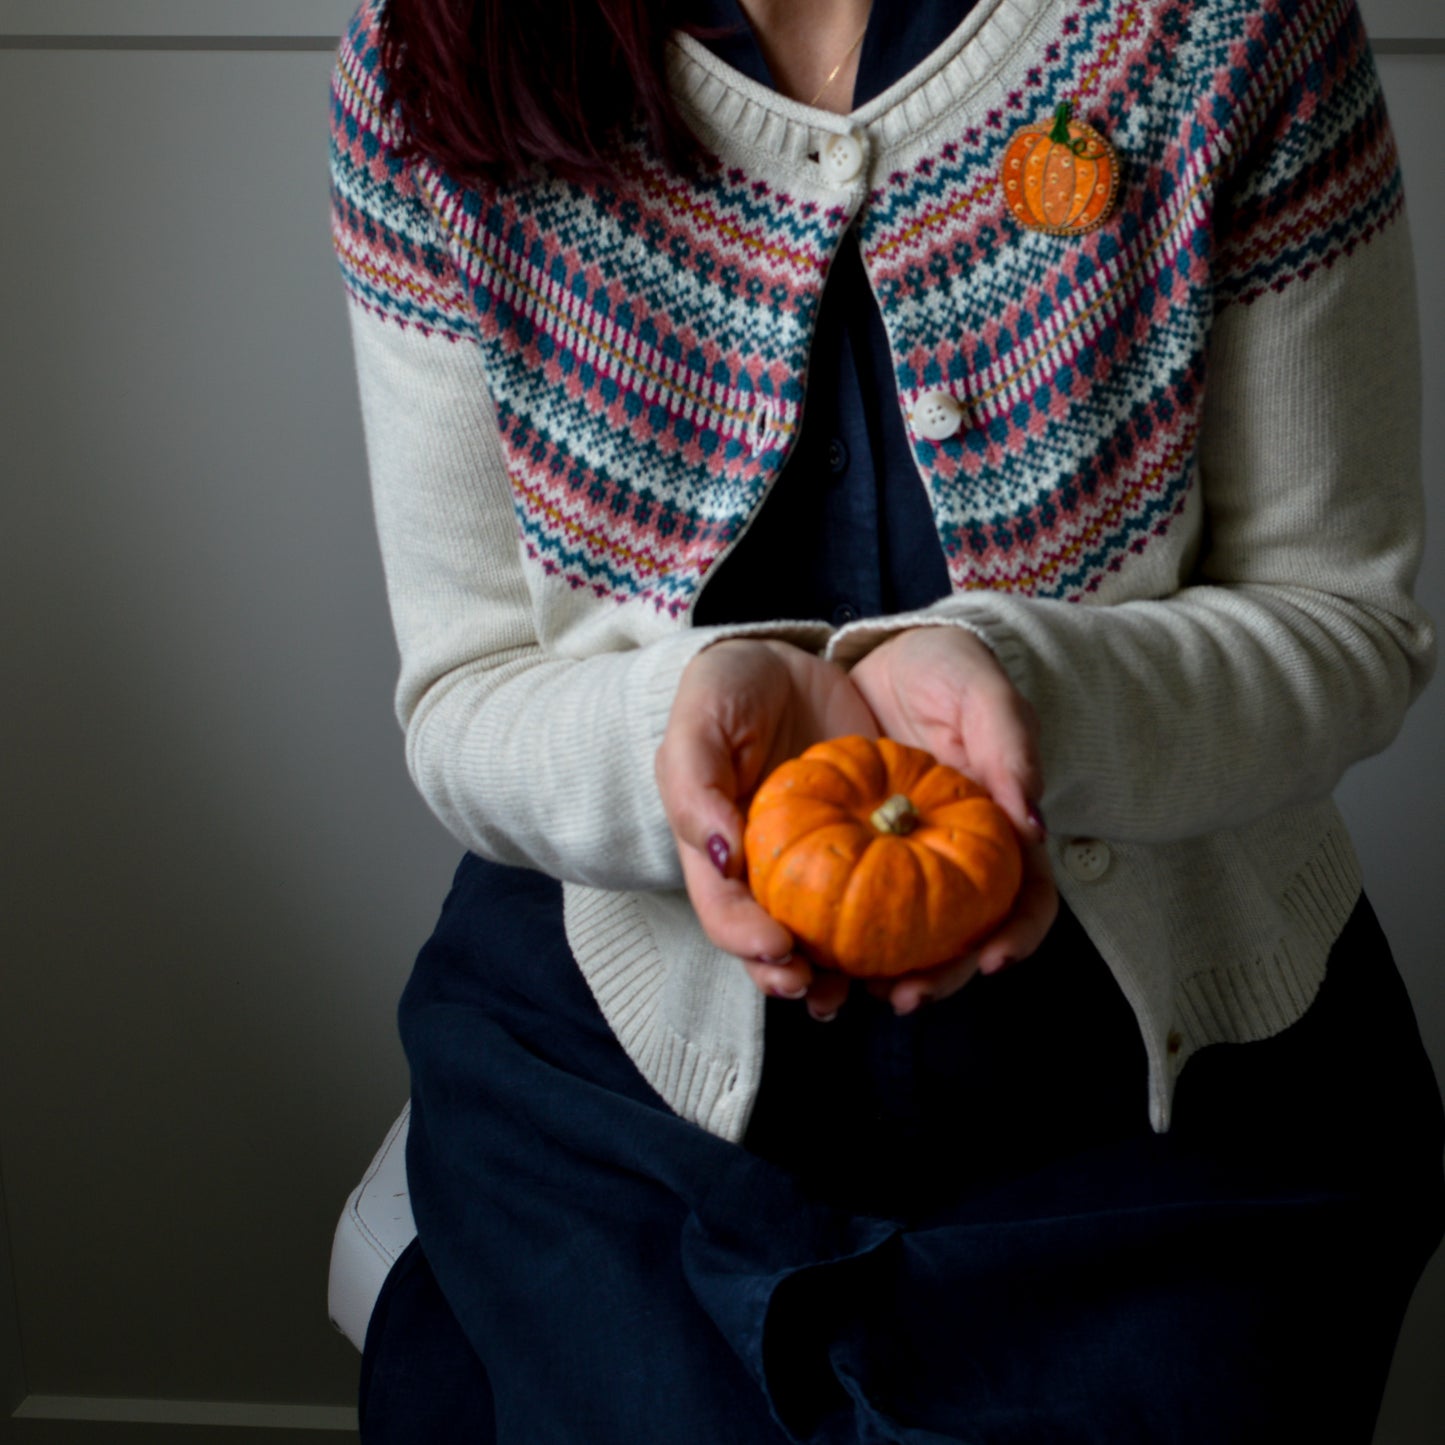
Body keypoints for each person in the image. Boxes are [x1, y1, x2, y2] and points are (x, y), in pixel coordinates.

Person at [330, 0, 1445, 1438]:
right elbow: (464, 693)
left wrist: (1031, 690)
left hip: (1166, 1114)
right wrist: (673, 724)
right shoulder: (437, 47)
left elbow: (1344, 621)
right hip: (616, 1091)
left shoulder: (1220, 28)